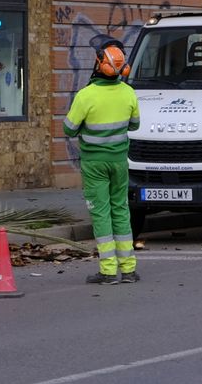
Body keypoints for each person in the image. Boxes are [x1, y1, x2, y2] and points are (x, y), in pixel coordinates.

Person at [64, 38, 140, 284]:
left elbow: (69, 129)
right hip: (119, 162)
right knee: (121, 210)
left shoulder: (86, 95)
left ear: (99, 65)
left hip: (95, 164)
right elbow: (135, 124)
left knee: (101, 214)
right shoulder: (128, 93)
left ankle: (108, 271)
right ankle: (128, 269)